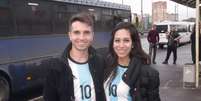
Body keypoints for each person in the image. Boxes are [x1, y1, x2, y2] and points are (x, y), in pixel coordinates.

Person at [43, 12, 106, 101]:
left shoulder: (100, 62)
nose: (81, 38)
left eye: (86, 32)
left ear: (92, 35)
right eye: (77, 32)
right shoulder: (55, 66)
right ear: (70, 35)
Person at [104, 22, 160, 101]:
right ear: (113, 43)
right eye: (117, 40)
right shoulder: (106, 65)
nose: (121, 45)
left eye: (126, 40)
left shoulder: (148, 74)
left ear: (133, 44)